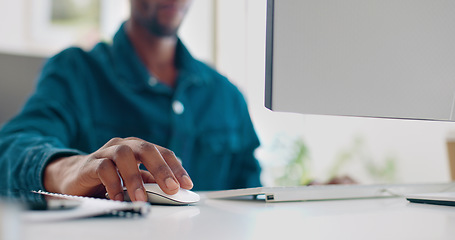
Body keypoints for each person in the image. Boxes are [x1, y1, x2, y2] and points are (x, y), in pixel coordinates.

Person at [0, 0, 261, 202]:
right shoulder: (77, 72)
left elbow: (252, 196)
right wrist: (71, 170)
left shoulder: (226, 96)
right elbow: (11, 148)